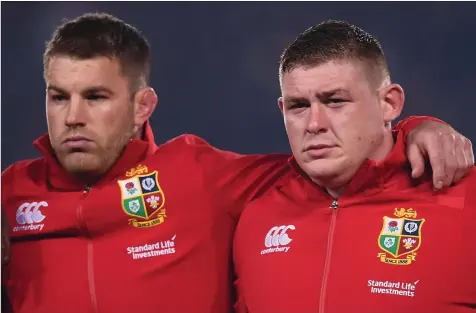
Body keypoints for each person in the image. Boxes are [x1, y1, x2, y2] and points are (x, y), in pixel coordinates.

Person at [1, 13, 473, 313]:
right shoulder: (9, 195)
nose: (74, 116)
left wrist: (418, 127)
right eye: (59, 97)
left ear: (142, 105)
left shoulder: (205, 177)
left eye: (96, 96)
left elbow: (362, 164)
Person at [233, 20, 476, 313]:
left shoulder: (465, 199)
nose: (314, 124)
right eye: (299, 106)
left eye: (335, 101)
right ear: (283, 111)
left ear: (389, 103)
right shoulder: (254, 213)